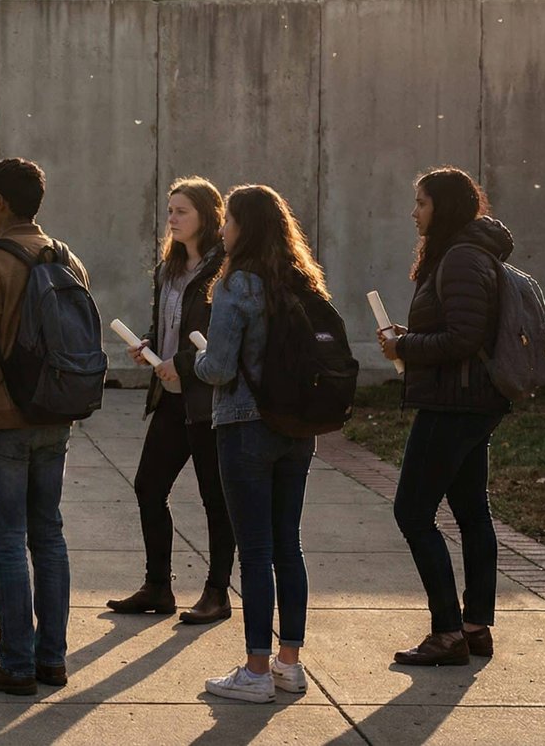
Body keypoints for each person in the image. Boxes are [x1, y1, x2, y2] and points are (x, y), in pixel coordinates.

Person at [0, 158, 89, 695]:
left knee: (6, 541)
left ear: (2, 202)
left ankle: (16, 663)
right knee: (48, 535)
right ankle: (52, 657)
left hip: (4, 423)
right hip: (55, 414)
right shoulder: (65, 257)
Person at [192, 184, 323, 704]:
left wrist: (199, 362)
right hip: (297, 428)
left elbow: (220, 366)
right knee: (288, 546)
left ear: (244, 226)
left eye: (227, 220)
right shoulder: (302, 282)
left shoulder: (236, 284)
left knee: (255, 551)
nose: (221, 228)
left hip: (245, 424)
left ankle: (254, 670)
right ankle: (289, 663)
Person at [377, 167, 510, 666]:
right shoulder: (466, 255)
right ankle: (474, 628)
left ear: (444, 207)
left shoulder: (459, 259)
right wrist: (408, 334)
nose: (414, 212)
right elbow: (460, 328)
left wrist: (404, 344)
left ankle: (448, 632)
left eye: (422, 203)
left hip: (454, 404)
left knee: (412, 513)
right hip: (471, 402)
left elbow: (464, 338)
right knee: (471, 511)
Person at [109, 177, 236, 624]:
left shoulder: (224, 270)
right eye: (170, 211)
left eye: (182, 211)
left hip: (206, 399)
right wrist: (147, 343)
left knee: (214, 498)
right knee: (149, 486)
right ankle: (158, 587)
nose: (173, 219)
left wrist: (180, 362)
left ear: (207, 215)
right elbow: (165, 323)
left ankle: (217, 592)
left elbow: (223, 337)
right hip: (170, 398)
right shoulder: (169, 268)